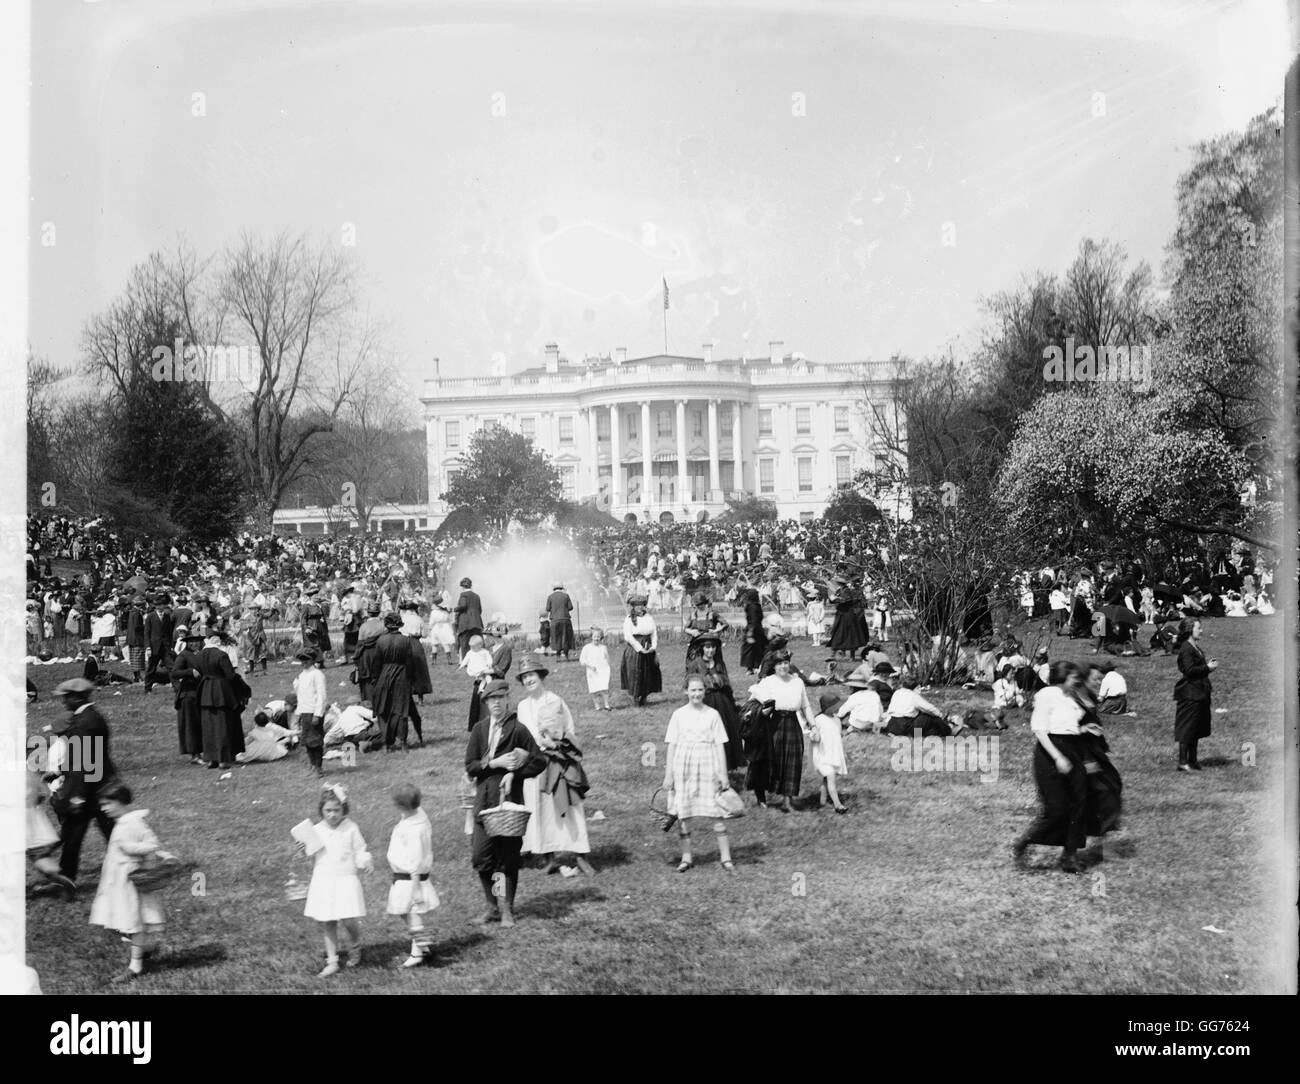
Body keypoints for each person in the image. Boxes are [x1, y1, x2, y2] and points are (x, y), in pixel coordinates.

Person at [464, 679, 547, 928]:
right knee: (481, 856)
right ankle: (491, 906)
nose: (496, 703)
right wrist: (493, 764)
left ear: (507, 699)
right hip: (484, 801)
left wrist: (514, 774)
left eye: (500, 698)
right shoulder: (479, 730)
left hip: (509, 803)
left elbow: (539, 760)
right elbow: (470, 766)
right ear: (486, 703)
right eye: (491, 699)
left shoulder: (518, 729)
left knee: (508, 857)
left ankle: (507, 908)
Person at [515, 657, 594, 876]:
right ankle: (549, 857)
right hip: (535, 764)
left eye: (532, 675)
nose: (529, 680)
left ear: (541, 676)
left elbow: (569, 729)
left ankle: (580, 855)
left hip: (558, 760)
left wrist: (557, 744)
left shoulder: (555, 700)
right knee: (541, 810)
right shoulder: (522, 707)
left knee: (569, 808)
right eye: (524, 677)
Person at [88, 783, 173, 982]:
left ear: (121, 801)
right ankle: (145, 948)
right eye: (102, 805)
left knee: (132, 921)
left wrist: (131, 848)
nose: (104, 808)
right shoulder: (121, 822)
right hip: (116, 880)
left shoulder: (134, 822)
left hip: (130, 880)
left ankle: (136, 966)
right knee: (117, 920)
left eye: (108, 804)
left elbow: (152, 844)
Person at [1013, 661, 1088, 873]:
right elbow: (1039, 729)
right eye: (1073, 676)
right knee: (1056, 809)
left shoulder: (1071, 697)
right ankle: (1024, 843)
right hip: (1050, 752)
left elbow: (1071, 724)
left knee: (1078, 805)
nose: (1077, 680)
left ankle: (1069, 856)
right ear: (1063, 676)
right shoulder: (1047, 694)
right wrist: (1057, 757)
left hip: (1074, 749)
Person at [52, 678, 120, 889]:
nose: (63, 703)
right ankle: (130, 870)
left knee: (74, 836)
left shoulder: (84, 722)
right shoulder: (91, 717)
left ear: (77, 697)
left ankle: (67, 879)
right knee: (110, 834)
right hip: (99, 785)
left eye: (66, 698)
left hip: (90, 789)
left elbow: (85, 762)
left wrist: (77, 795)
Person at [297, 783, 372, 977]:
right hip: (324, 879)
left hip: (345, 879)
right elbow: (310, 852)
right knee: (327, 920)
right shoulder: (316, 829)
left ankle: (355, 944)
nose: (332, 815)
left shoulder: (351, 828)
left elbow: (360, 849)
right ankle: (332, 960)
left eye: (336, 810)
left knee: (348, 919)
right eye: (328, 810)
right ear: (321, 811)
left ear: (343, 810)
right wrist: (303, 847)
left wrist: (365, 861)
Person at [663, 675, 736, 872]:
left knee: (716, 810)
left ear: (705, 691)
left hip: (707, 763)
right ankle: (686, 857)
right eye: (693, 690)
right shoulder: (678, 715)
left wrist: (723, 774)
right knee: (683, 811)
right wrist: (668, 774)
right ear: (685, 691)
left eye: (700, 690)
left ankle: (726, 857)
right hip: (683, 765)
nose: (696, 694)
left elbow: (720, 745)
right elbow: (671, 745)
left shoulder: (713, 714)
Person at [748, 650, 817, 813]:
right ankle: (761, 797)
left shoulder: (797, 682)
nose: (783, 666)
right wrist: (760, 713)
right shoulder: (767, 682)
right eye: (779, 663)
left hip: (792, 723)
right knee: (767, 761)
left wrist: (813, 725)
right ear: (773, 666)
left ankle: (787, 801)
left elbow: (805, 706)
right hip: (772, 723)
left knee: (792, 761)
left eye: (786, 662)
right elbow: (752, 703)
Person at [385, 783, 440, 969]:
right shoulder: (416, 816)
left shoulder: (414, 829)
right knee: (402, 911)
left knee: (412, 912)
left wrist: (416, 888)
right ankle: (422, 944)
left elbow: (416, 860)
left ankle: (417, 953)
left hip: (410, 878)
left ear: (401, 807)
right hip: (402, 877)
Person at [684, 634, 746, 770]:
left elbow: (727, 684)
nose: (710, 650)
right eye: (707, 647)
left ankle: (724, 767)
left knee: (724, 734)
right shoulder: (695, 664)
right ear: (702, 648)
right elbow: (688, 686)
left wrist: (732, 704)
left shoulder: (719, 663)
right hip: (705, 702)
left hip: (723, 703)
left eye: (713, 647)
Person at [191, 630, 249, 769]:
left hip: (205, 692)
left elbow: (197, 674)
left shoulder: (199, 656)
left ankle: (211, 759)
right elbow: (230, 675)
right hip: (221, 693)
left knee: (208, 727)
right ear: (218, 642)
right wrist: (243, 687)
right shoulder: (222, 655)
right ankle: (223, 759)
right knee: (222, 726)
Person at [370, 612, 418, 751]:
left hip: (384, 676)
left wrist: (375, 679)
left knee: (384, 709)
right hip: (401, 675)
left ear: (387, 625)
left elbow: (376, 663)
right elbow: (410, 663)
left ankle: (386, 743)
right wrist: (410, 680)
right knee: (401, 709)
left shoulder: (381, 641)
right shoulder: (406, 641)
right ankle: (403, 742)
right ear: (399, 625)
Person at [1173, 618, 1216, 772]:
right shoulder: (1186, 648)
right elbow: (1189, 671)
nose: (1201, 630)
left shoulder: (1194, 647)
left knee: (1196, 728)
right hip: (1190, 693)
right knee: (1187, 728)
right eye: (1199, 628)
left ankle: (1193, 760)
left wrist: (1206, 666)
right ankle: (1183, 762)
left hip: (1199, 692)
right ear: (1190, 630)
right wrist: (1208, 668)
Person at [811, 689, 850, 813]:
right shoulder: (819, 719)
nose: (837, 708)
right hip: (822, 755)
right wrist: (814, 736)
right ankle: (838, 805)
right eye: (835, 706)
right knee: (831, 778)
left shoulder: (837, 719)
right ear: (827, 707)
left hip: (833, 754)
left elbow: (837, 735)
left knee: (826, 778)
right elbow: (813, 735)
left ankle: (822, 802)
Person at [620, 596, 662, 707]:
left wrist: (653, 646)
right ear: (633, 607)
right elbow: (628, 636)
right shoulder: (629, 619)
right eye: (637, 605)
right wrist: (639, 648)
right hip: (635, 649)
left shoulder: (649, 617)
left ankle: (644, 696)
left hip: (648, 646)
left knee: (648, 672)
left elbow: (654, 633)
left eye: (641, 605)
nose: (640, 607)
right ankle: (635, 697)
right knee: (635, 672)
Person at [294, 648, 329, 775]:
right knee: (307, 741)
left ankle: (319, 767)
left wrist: (318, 714)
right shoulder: (302, 676)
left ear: (312, 660)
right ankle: (312, 765)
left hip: (314, 712)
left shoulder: (317, 675)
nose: (303, 663)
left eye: (306, 660)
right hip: (305, 711)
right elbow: (301, 695)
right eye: (301, 660)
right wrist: (299, 712)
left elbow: (321, 695)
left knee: (316, 741)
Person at [883, 674, 950, 737]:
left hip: (892, 725)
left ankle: (933, 732)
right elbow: (929, 708)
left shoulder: (897, 693)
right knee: (928, 716)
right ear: (914, 687)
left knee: (927, 726)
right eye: (918, 687)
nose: (919, 690)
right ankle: (947, 730)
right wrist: (940, 715)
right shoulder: (913, 695)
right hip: (906, 727)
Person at [460, 634, 497, 731]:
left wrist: (489, 663)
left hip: (484, 668)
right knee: (480, 678)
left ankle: (489, 685)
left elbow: (489, 658)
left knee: (487, 677)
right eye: (471, 647)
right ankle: (483, 685)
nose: (472, 648)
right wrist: (462, 665)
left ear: (480, 645)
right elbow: (466, 659)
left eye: (474, 647)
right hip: (476, 669)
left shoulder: (484, 652)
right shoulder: (470, 653)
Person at [827, 581, 869, 659]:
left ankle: (851, 656)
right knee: (838, 634)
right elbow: (834, 600)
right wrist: (832, 599)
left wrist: (838, 599)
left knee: (850, 635)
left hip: (848, 615)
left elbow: (847, 600)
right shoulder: (839, 591)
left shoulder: (847, 591)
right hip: (841, 615)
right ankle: (834, 654)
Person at [682, 592, 728, 661]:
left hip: (710, 642)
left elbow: (725, 624)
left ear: (705, 603)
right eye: (698, 605)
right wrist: (691, 631)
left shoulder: (712, 613)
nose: (700, 606)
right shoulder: (693, 615)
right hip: (696, 642)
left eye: (701, 604)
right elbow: (685, 628)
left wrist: (715, 631)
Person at [143, 596, 174, 693]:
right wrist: (148, 647)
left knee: (171, 667)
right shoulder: (150, 616)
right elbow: (146, 633)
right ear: (155, 606)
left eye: (162, 605)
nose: (160, 607)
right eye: (158, 605)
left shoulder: (167, 616)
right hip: (154, 646)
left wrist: (171, 646)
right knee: (151, 668)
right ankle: (147, 688)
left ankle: (176, 687)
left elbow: (169, 632)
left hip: (165, 647)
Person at [579, 626, 612, 711]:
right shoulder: (587, 648)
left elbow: (607, 658)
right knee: (594, 689)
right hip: (592, 671)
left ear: (601, 637)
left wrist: (607, 668)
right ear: (591, 637)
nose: (596, 638)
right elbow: (582, 660)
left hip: (603, 670)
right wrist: (590, 666)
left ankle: (607, 705)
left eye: (598, 636)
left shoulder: (603, 647)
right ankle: (597, 706)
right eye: (595, 636)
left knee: (604, 688)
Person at [454, 577, 484, 659]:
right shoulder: (477, 596)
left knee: (464, 643)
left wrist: (455, 609)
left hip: (466, 623)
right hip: (477, 622)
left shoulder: (463, 595)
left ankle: (465, 661)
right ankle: (480, 659)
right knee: (478, 642)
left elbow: (463, 606)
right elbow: (480, 610)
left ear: (462, 587)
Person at [739, 587, 767, 674]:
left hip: (753, 629)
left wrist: (750, 632)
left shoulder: (752, 607)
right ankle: (755, 666)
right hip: (757, 629)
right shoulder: (756, 606)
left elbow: (754, 620)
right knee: (757, 649)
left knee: (750, 650)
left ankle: (751, 668)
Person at [545, 583, 575, 660]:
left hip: (555, 620)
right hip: (565, 619)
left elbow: (548, 609)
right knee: (565, 637)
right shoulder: (566, 596)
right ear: (562, 588)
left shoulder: (550, 597)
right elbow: (570, 607)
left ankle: (558, 655)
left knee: (556, 637)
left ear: (554, 589)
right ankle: (566, 655)